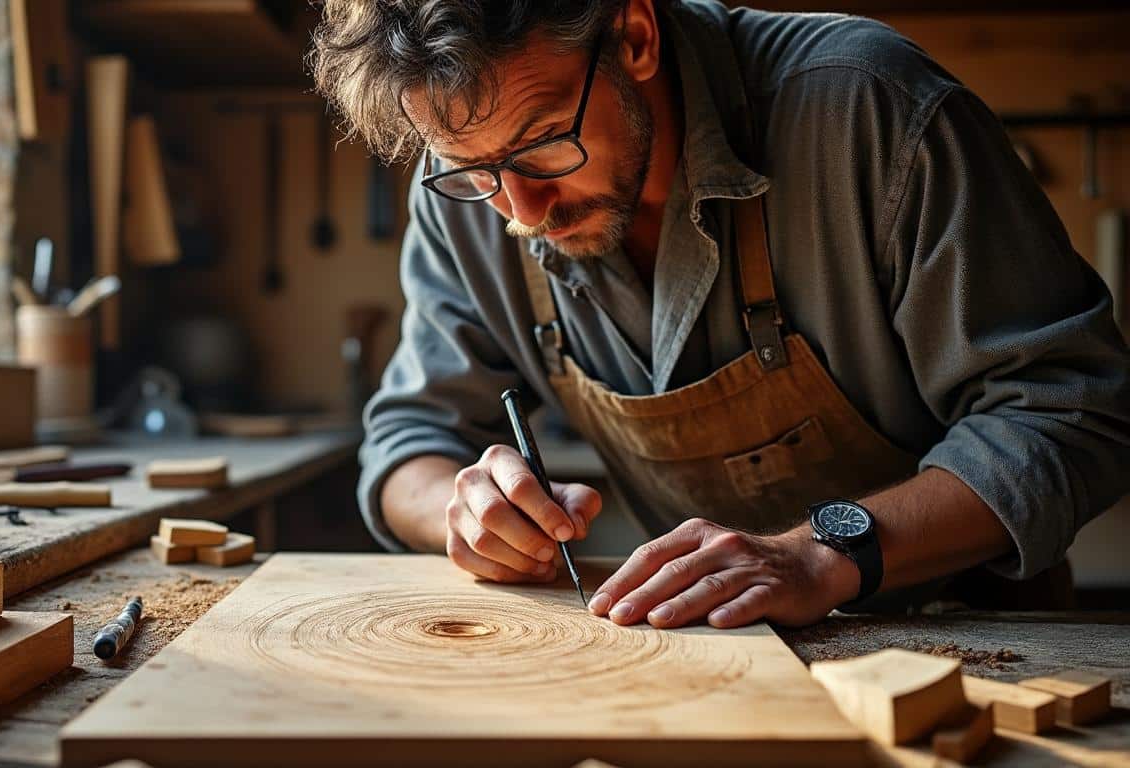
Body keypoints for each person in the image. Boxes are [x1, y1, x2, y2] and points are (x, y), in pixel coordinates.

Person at [309, 0, 1130, 628]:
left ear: (634, 35)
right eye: (472, 168)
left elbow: (1071, 411)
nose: (521, 210)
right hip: (709, 649)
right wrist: (465, 512)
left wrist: (819, 555)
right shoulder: (467, 190)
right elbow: (408, 440)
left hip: (967, 640)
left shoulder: (868, 109)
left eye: (545, 142)